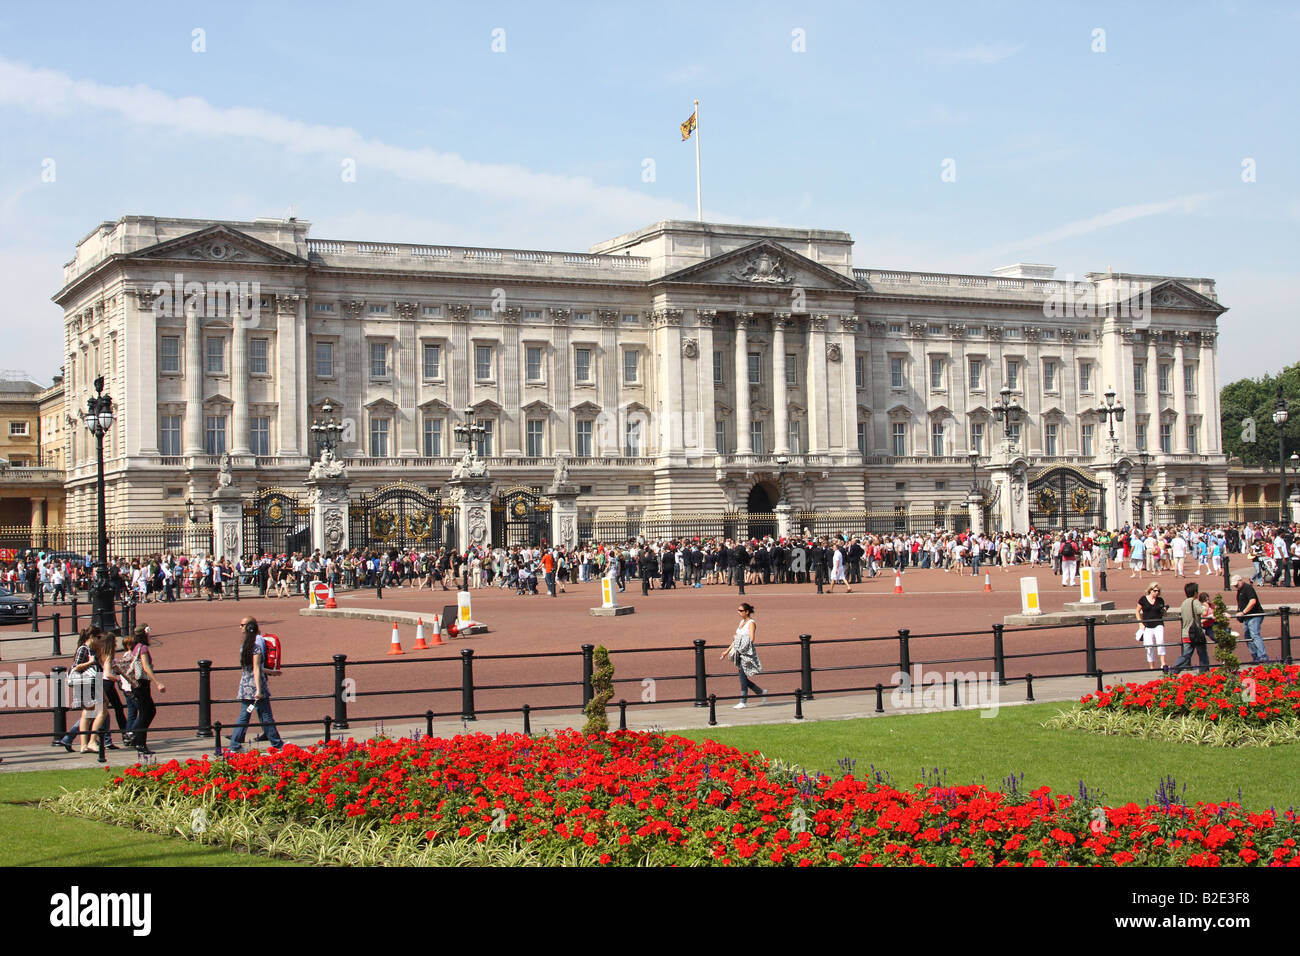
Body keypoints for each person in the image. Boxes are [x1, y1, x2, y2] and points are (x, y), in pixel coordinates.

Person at [226, 617, 284, 753]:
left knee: (245, 714)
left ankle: (235, 744)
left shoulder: (244, 647)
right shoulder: (256, 647)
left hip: (245, 684)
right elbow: (257, 669)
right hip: (256, 686)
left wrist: (271, 672)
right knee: (266, 715)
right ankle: (277, 744)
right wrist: (258, 689)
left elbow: (252, 667)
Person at [122, 625, 164, 755]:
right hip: (141, 684)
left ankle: (137, 738)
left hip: (137, 684)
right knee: (147, 712)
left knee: (147, 711)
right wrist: (158, 682)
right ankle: (138, 739)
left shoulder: (135, 646)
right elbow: (146, 667)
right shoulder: (143, 647)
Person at [720, 602, 765, 709]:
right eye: (738, 610)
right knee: (743, 677)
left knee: (742, 677)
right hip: (738, 653)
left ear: (747, 612)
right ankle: (761, 692)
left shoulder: (751, 623)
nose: (738, 612)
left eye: (740, 611)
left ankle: (743, 701)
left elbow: (752, 638)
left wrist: (738, 638)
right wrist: (726, 651)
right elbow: (735, 640)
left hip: (746, 654)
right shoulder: (741, 622)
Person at [1171, 581, 1210, 673]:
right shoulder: (1195, 601)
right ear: (1195, 592)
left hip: (1185, 633)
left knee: (1186, 655)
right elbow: (1203, 613)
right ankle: (1204, 673)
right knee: (1202, 654)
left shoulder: (1184, 603)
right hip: (1195, 632)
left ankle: (1174, 671)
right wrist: (1206, 606)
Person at [1233, 574, 1268, 663]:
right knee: (1248, 636)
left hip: (1255, 615)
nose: (1235, 586)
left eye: (1236, 584)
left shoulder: (1247, 588)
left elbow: (1253, 601)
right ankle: (1256, 657)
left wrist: (1243, 612)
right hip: (1247, 617)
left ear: (1241, 581)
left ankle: (1262, 656)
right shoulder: (1240, 590)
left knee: (1255, 635)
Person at [1135, 582, 1169, 671]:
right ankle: (1151, 666)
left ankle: (1163, 663)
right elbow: (1137, 611)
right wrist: (1140, 623)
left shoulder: (1160, 600)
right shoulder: (1143, 599)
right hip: (1147, 625)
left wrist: (1164, 610)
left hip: (1158, 623)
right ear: (1150, 590)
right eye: (1155, 591)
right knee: (1149, 645)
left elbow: (1164, 615)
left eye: (1158, 591)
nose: (1157, 592)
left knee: (1160, 641)